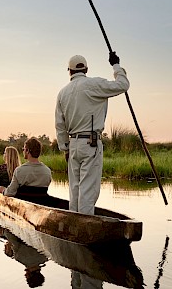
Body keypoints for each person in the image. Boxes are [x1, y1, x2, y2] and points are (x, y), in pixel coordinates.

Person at [55, 53, 129, 215]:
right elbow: (123, 85)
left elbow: (60, 126)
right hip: (91, 143)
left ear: (69, 71)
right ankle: (84, 228)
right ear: (86, 69)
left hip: (73, 145)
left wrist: (65, 148)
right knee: (88, 190)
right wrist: (116, 66)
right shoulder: (95, 84)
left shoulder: (62, 93)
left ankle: (73, 223)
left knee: (75, 190)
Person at [0, 138, 52, 203]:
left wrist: (3, 190)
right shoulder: (47, 171)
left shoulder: (19, 171)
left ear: (28, 151)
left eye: (24, 149)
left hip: (24, 206)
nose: (23, 151)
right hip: (42, 204)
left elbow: (10, 193)